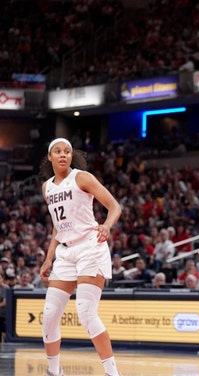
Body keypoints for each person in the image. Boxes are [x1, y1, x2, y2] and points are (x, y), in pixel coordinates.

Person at [38, 138, 122, 376]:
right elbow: (59, 226)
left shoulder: (81, 177)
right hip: (65, 252)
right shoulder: (47, 188)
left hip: (90, 246)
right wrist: (49, 256)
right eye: (58, 151)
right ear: (50, 157)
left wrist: (106, 225)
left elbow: (114, 206)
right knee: (50, 314)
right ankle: (54, 372)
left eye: (67, 151)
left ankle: (112, 373)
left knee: (85, 311)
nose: (63, 154)